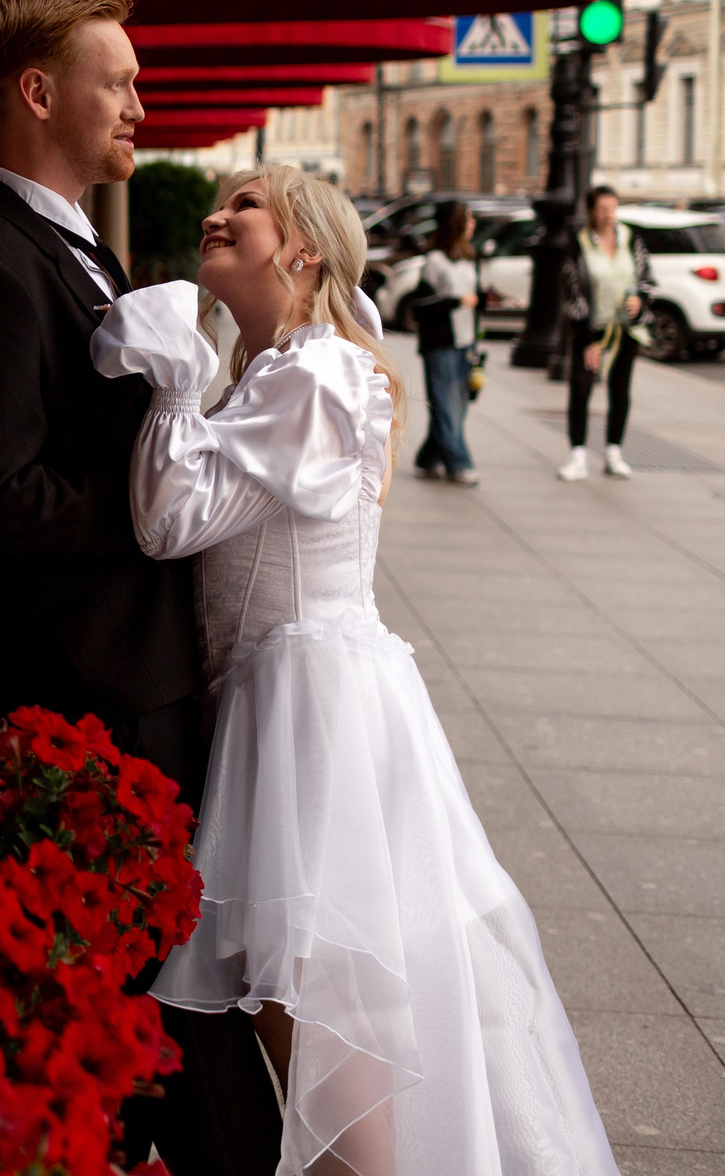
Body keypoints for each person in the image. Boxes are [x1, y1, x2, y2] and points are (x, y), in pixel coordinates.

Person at [93, 166, 621, 1176]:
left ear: (303, 252)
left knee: (315, 995)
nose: (218, 212)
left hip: (307, 707)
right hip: (291, 697)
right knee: (301, 991)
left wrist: (166, 379)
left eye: (247, 204)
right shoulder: (280, 368)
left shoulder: (315, 372)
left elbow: (168, 521)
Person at [0, 0, 282, 1176]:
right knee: (164, 1000)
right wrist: (153, 510)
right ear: (37, 94)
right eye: (115, 81)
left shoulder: (84, 247)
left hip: (140, 680)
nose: (138, 102)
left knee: (177, 991)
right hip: (88, 695)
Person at [558, 186, 653, 482]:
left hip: (626, 329)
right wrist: (587, 339)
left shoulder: (631, 239)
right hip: (593, 331)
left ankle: (614, 452)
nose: (609, 214)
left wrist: (640, 301)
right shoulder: (580, 244)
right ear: (592, 212)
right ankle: (577, 456)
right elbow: (572, 291)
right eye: (603, 209)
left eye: (613, 207)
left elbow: (646, 279)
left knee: (620, 390)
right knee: (581, 389)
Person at [409, 199, 483, 486]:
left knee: (457, 406)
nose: (473, 223)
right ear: (455, 223)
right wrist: (455, 301)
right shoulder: (434, 261)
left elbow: (475, 295)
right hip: (440, 344)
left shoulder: (468, 258)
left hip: (465, 341)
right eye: (469, 218)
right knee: (446, 405)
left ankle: (428, 458)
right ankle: (459, 463)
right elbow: (422, 305)